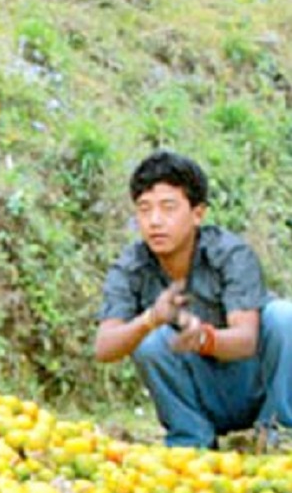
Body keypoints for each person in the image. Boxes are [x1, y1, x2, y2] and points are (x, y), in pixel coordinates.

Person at [95, 149, 292, 449]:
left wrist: (203, 339)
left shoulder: (231, 255)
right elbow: (104, 347)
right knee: (148, 341)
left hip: (251, 381)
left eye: (168, 208)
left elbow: (246, 340)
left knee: (282, 316)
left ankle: (276, 430)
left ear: (197, 213)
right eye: (145, 210)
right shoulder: (131, 267)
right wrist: (149, 319)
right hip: (198, 389)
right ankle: (191, 439)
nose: (155, 221)